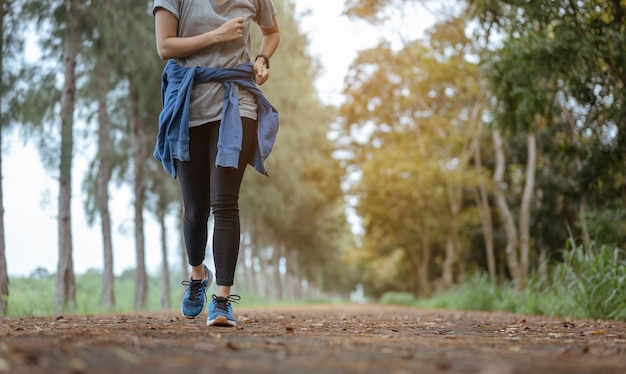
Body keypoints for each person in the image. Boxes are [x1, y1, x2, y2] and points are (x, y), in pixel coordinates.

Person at [152, 0, 280, 327]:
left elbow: (271, 32)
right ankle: (198, 275)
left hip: (237, 102)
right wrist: (218, 34)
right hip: (188, 107)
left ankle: (222, 300)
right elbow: (165, 46)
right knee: (195, 209)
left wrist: (262, 59)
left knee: (224, 202)